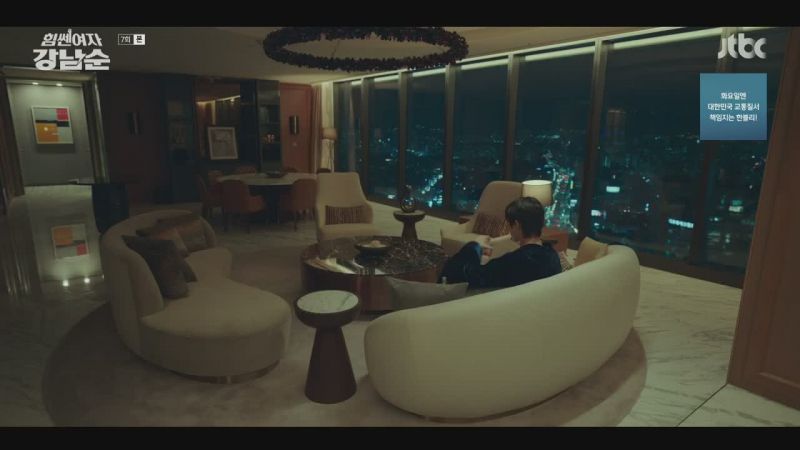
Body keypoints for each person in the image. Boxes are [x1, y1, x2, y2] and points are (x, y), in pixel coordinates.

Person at [439, 197, 562, 289]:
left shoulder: (514, 262)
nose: (508, 229)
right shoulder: (553, 257)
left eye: (509, 224)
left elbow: (467, 277)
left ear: (517, 225)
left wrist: (474, 246)